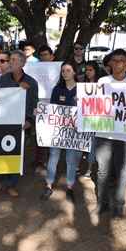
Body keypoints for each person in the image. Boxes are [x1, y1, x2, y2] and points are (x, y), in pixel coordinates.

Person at [91, 49, 126, 218]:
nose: (117, 64)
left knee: (121, 172)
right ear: (110, 63)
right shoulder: (103, 81)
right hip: (103, 134)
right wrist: (84, 100)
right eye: (114, 60)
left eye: (121, 61)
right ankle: (102, 203)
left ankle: (119, 205)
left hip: (124, 136)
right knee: (102, 171)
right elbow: (94, 103)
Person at [0, 50, 38, 197]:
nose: (10, 62)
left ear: (22, 63)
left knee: (16, 155)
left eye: (14, 60)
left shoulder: (32, 83)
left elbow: (34, 104)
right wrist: (18, 89)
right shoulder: (3, 80)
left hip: (21, 126)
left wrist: (29, 120)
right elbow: (2, 99)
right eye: (10, 60)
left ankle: (11, 184)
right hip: (3, 124)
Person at [40, 59, 81, 203]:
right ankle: (49, 186)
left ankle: (70, 188)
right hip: (57, 131)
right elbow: (51, 109)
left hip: (73, 131)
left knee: (71, 160)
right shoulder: (57, 89)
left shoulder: (82, 89)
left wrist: (81, 102)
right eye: (63, 71)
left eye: (68, 70)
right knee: (53, 158)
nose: (65, 73)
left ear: (74, 71)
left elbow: (88, 111)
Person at [76, 61, 103, 178]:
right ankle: (77, 166)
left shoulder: (101, 86)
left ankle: (89, 169)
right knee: (79, 141)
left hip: (95, 119)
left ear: (95, 71)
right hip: (83, 118)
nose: (88, 72)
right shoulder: (82, 84)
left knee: (92, 143)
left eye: (90, 70)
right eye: (86, 70)